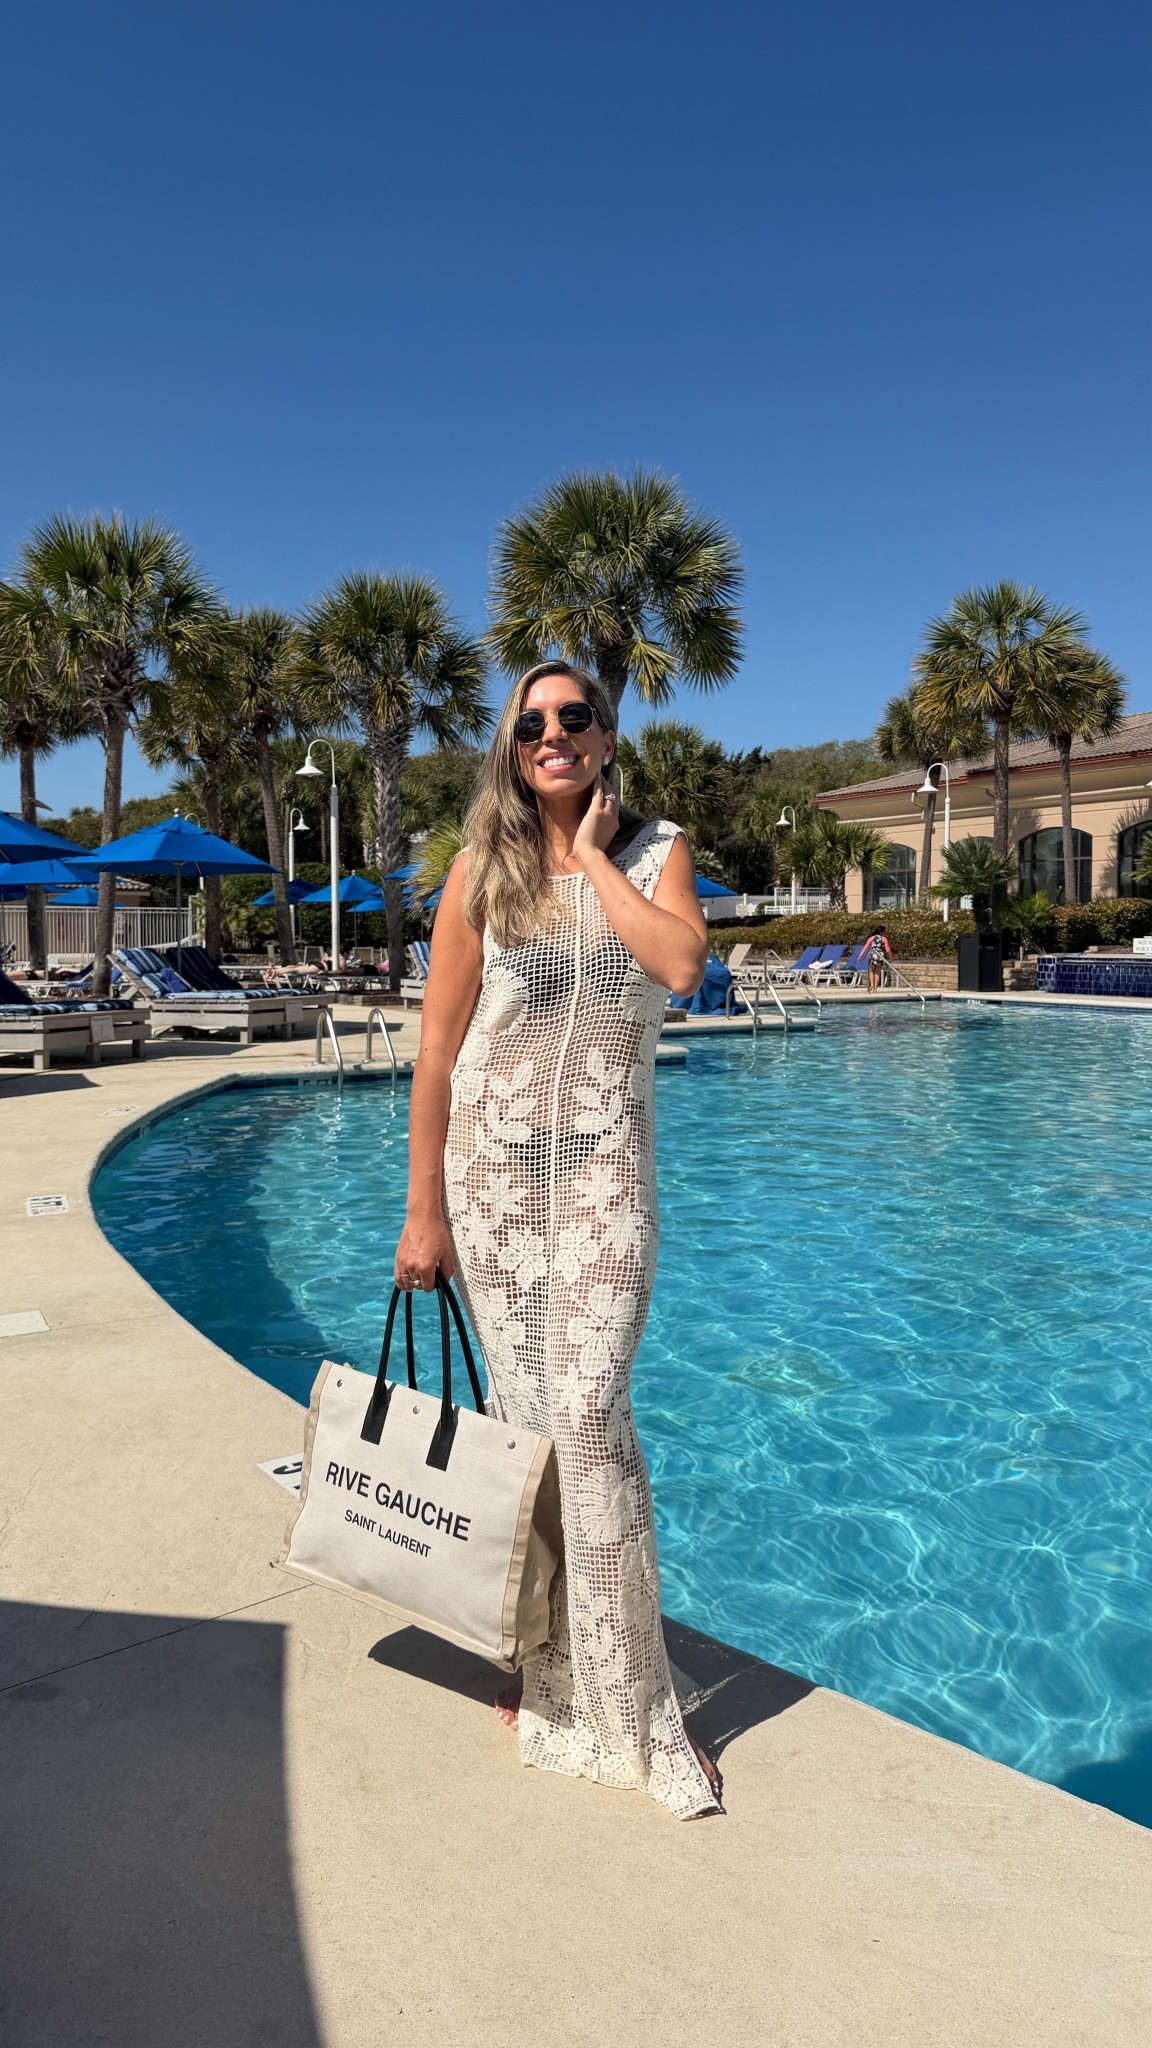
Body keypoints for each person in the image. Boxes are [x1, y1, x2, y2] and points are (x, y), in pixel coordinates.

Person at [394, 659, 723, 1820]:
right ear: (511, 744)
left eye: (572, 716)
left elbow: (683, 968)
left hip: (603, 1177)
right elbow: (438, 1047)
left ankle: (631, 1694)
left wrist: (587, 855)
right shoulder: (478, 871)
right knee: (530, 1427)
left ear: (602, 733)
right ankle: (543, 1662)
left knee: (590, 1417)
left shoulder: (656, 849)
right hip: (490, 1183)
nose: (553, 734)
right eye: (532, 722)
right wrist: (423, 1206)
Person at [864, 921, 892, 992]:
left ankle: (872, 986)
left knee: (871, 971)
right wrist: (890, 956)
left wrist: (860, 956)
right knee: (877, 972)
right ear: (882, 932)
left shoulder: (871, 938)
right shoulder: (884, 939)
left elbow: (865, 948)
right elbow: (888, 949)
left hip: (873, 954)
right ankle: (875, 988)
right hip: (880, 955)